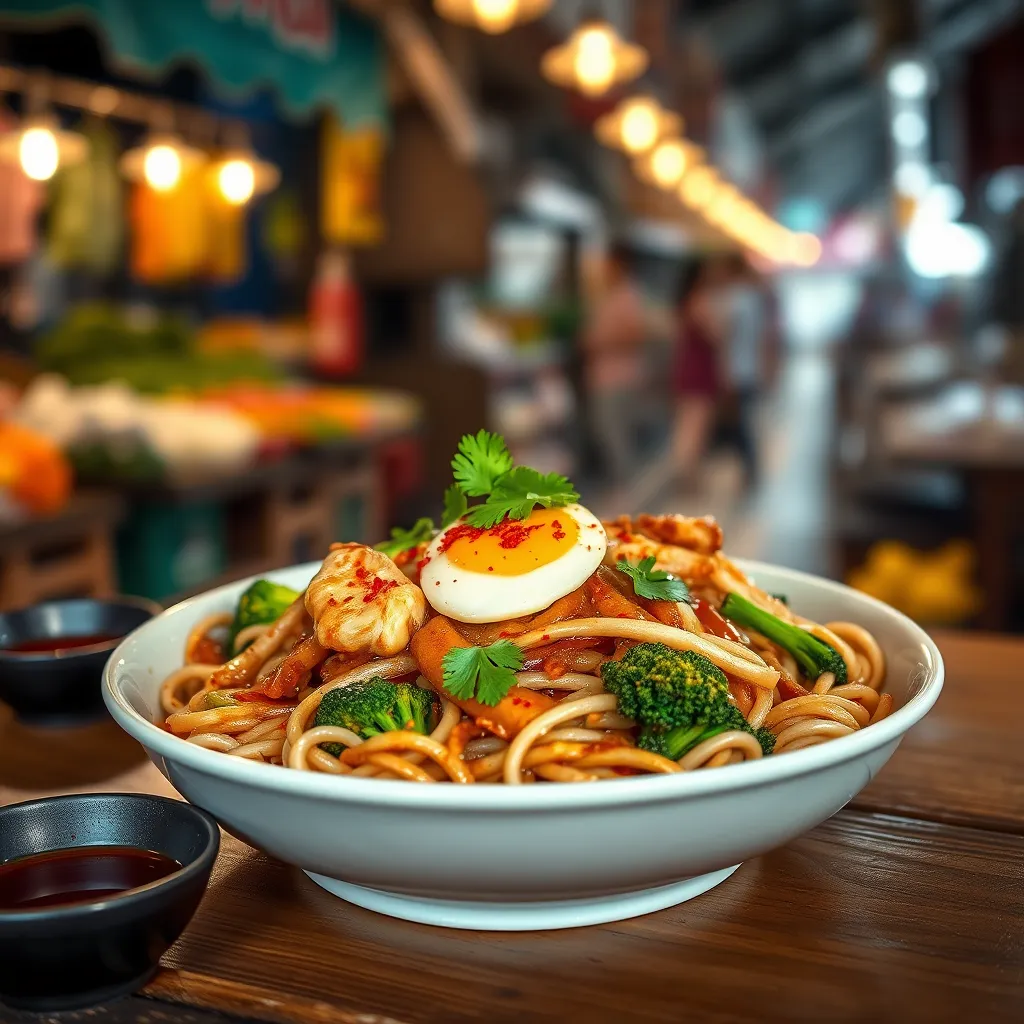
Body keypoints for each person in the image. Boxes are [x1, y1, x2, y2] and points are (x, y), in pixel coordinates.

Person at [581, 242, 649, 484]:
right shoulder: (609, 295)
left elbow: (637, 333)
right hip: (608, 377)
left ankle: (628, 492)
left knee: (616, 437)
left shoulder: (626, 295)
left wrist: (602, 342)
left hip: (618, 378)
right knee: (610, 435)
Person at [716, 254, 767, 487]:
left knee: (739, 425)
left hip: (735, 371)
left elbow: (726, 338)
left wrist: (723, 372)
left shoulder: (733, 301)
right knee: (745, 422)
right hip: (750, 369)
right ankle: (751, 468)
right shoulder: (753, 299)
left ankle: (749, 469)